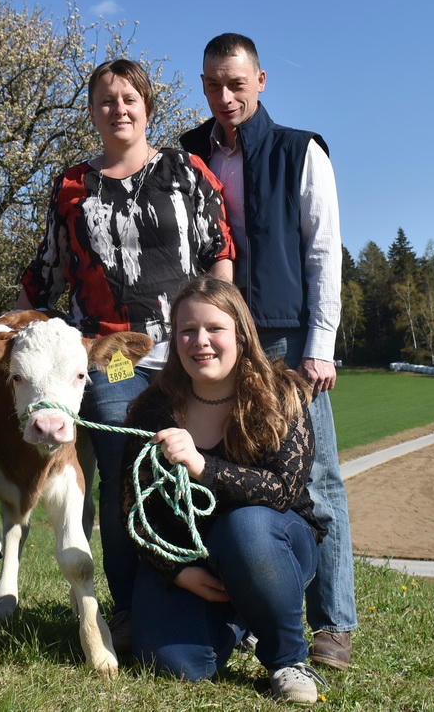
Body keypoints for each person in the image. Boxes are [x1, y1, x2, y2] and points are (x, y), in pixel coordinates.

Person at [16, 58, 234, 650]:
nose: (119, 109)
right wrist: (12, 324)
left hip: (189, 351)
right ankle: (133, 605)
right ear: (91, 111)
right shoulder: (71, 185)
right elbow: (50, 268)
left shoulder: (187, 171)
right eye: (106, 100)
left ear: (147, 107)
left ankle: (223, 598)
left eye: (129, 98)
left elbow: (220, 250)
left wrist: (223, 324)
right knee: (121, 473)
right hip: (109, 354)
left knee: (201, 464)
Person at [179, 33, 357, 670]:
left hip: (283, 337)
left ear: (261, 81)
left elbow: (322, 252)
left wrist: (320, 345)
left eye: (235, 83)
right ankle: (252, 614)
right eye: (211, 84)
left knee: (318, 478)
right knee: (230, 474)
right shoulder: (187, 153)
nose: (223, 97)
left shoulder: (299, 150)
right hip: (214, 338)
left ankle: (333, 624)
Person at [121, 275, 328, 705]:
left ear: (240, 333)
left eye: (215, 329)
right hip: (190, 559)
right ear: (174, 341)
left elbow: (283, 491)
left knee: (246, 527)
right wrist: (176, 572)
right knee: (177, 666)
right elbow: (133, 507)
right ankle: (242, 618)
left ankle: (288, 659)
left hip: (272, 544)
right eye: (187, 331)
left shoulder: (283, 393)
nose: (201, 341)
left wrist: (201, 465)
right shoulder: (153, 408)